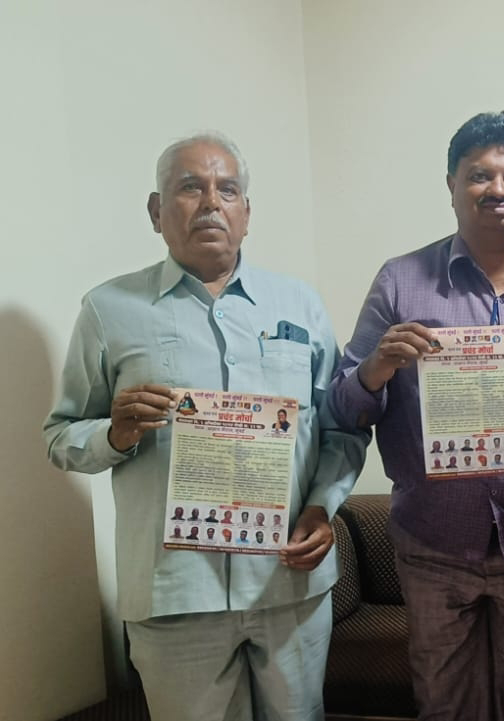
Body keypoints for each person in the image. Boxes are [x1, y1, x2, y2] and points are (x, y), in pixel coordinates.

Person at [42, 133, 365, 721]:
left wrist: (322, 507)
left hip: (287, 585)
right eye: (191, 187)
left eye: (228, 189)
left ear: (247, 212)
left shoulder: (300, 305)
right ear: (156, 210)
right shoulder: (109, 310)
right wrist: (115, 435)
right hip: (175, 595)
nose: (212, 202)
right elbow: (61, 436)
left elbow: (342, 427)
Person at [328, 112, 504, 721]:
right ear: (451, 184)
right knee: (444, 703)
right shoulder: (401, 281)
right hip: (434, 540)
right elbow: (342, 405)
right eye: (479, 175)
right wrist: (377, 367)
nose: (498, 189)